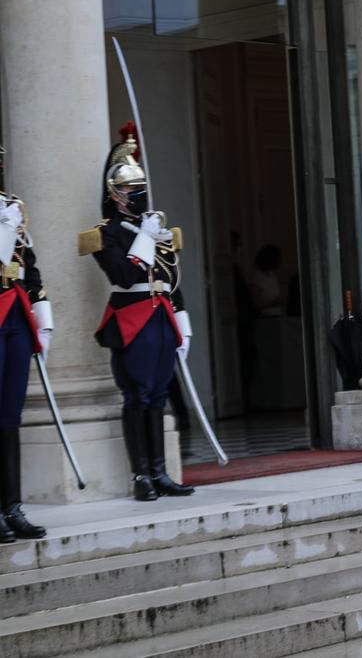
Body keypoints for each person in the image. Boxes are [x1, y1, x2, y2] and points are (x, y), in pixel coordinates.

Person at [79, 128, 194, 501]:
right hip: (132, 318)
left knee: (159, 395)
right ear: (115, 194)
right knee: (138, 395)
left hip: (161, 316)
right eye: (132, 189)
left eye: (141, 187)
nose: (139, 194)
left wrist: (183, 324)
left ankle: (160, 472)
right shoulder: (105, 234)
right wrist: (144, 237)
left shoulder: (155, 228)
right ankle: (140, 475)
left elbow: (172, 279)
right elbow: (124, 275)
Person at [0, 146, 53, 542]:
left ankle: (12, 506)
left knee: (10, 414)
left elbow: (28, 266)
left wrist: (44, 318)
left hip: (16, 314)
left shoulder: (12, 208)